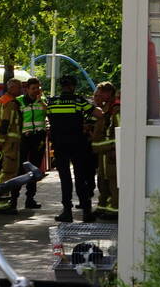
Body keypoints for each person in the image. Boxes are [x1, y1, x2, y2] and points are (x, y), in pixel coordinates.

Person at [46, 74, 103, 223]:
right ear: (73, 87)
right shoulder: (78, 101)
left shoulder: (52, 102)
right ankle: (86, 211)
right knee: (80, 178)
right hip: (78, 144)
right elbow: (98, 114)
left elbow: (48, 118)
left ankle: (67, 212)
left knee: (65, 179)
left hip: (59, 145)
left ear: (61, 86)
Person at [0, 77, 25, 214]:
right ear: (11, 88)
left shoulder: (0, 101)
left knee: (2, 172)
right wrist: (2, 141)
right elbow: (6, 123)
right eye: (19, 87)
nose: (21, 90)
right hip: (9, 144)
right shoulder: (10, 103)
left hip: (4, 143)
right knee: (8, 172)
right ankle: (0, 203)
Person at [91, 82, 120, 220]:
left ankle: (115, 209)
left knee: (113, 181)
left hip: (111, 152)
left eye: (101, 93)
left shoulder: (116, 110)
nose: (98, 96)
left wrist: (116, 148)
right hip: (102, 152)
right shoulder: (104, 109)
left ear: (108, 94)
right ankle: (103, 206)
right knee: (103, 179)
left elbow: (120, 131)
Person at [17, 78, 48, 209]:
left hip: (38, 138)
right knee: (20, 168)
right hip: (24, 138)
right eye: (33, 88)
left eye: (38, 88)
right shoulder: (19, 101)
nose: (36, 91)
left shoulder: (42, 101)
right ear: (27, 89)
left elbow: (47, 113)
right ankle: (14, 198)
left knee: (35, 168)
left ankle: (30, 199)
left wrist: (40, 100)